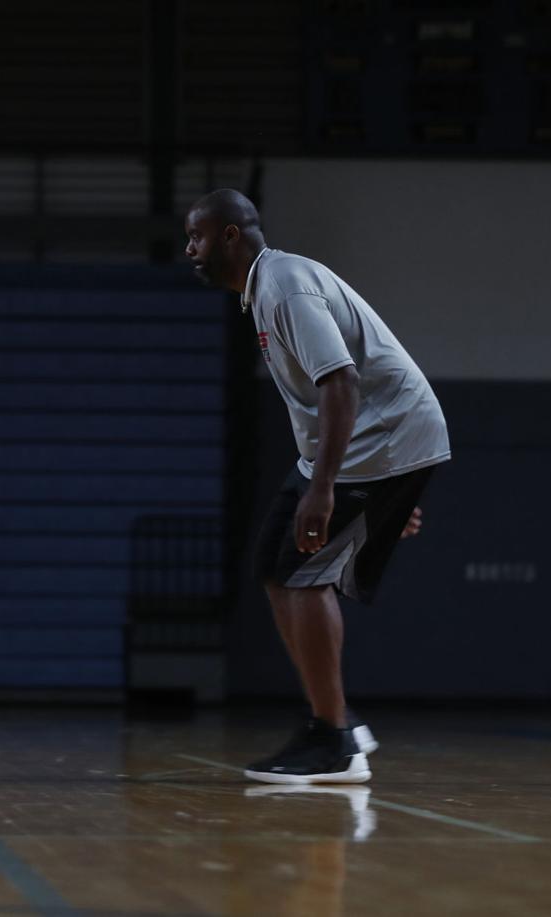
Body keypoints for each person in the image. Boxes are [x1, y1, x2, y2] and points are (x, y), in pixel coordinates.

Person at [185, 189, 449, 784]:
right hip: (370, 448)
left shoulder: (284, 288)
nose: (190, 250)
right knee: (274, 566)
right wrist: (385, 495)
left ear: (230, 235)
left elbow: (341, 382)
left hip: (379, 440)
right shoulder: (267, 287)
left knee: (303, 574)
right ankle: (338, 720)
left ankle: (333, 744)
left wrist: (327, 489)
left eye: (196, 237)